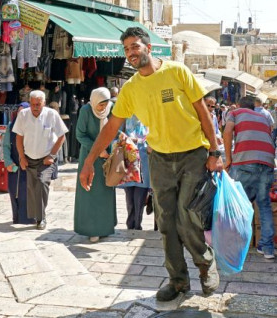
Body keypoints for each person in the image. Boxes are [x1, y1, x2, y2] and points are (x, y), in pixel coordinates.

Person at [79, 27, 222, 302]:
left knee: (188, 215)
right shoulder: (131, 88)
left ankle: (206, 266)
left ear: (149, 48)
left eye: (135, 46)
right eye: (127, 50)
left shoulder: (177, 72)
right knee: (165, 222)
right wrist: (88, 161)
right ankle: (178, 281)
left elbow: (202, 110)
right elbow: (112, 126)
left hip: (193, 154)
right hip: (158, 158)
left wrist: (215, 150)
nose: (132, 53)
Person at [223, 96, 276, 259]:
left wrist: (228, 158)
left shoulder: (235, 113)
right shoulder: (263, 116)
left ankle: (235, 246)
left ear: (239, 105)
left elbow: (227, 132)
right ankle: (267, 248)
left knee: (235, 203)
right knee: (264, 203)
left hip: (245, 160)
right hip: (267, 161)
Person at [13, 90, 68, 230]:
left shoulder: (52, 114)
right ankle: (37, 216)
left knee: (42, 183)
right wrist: (21, 157)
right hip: (29, 157)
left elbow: (62, 136)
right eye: (33, 104)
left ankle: (41, 218)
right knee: (32, 188)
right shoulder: (23, 115)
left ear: (44, 103)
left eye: (38, 104)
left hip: (46, 158)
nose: (35, 107)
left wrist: (52, 155)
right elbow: (18, 137)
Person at [74, 88, 117, 242]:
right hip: (89, 158)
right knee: (90, 193)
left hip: (107, 157)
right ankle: (91, 229)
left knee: (106, 191)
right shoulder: (86, 111)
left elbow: (114, 131)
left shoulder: (112, 110)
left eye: (106, 103)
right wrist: (97, 150)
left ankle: (105, 227)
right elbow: (80, 135)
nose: (103, 107)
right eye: (100, 104)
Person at [3, 102, 36, 225]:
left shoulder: (33, 126)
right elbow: (6, 146)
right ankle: (17, 218)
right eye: (19, 111)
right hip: (15, 165)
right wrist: (8, 162)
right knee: (14, 191)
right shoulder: (11, 126)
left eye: (24, 112)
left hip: (30, 165)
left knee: (28, 192)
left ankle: (30, 218)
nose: (21, 114)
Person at [118, 114, 151, 230]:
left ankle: (137, 224)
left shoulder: (149, 116)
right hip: (129, 159)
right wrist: (125, 139)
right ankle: (130, 223)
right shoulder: (125, 116)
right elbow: (118, 133)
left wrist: (144, 142)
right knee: (129, 196)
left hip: (144, 159)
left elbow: (154, 135)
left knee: (140, 196)